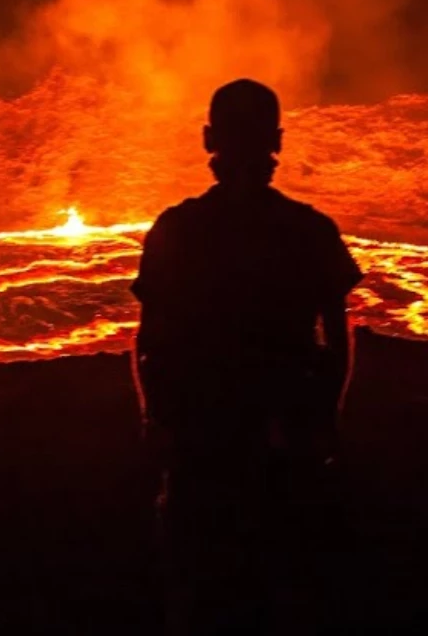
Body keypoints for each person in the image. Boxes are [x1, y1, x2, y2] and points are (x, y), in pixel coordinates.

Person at [131, 78, 364, 634]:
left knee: (197, 587)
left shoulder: (176, 230)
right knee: (284, 586)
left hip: (201, 438)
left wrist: (154, 420)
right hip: (281, 434)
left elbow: (148, 340)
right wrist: (327, 421)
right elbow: (337, 337)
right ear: (277, 140)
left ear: (208, 138)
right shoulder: (309, 230)